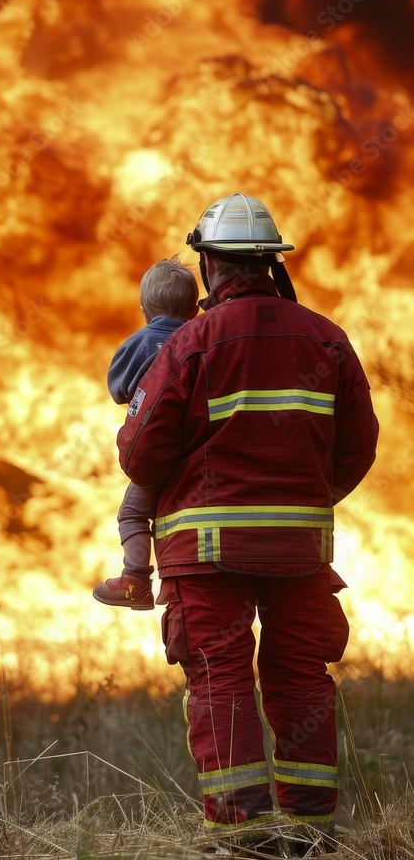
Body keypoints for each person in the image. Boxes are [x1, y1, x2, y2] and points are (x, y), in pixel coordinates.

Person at [116, 194, 379, 858]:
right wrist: (305, 499)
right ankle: (311, 834)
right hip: (300, 550)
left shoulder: (191, 343)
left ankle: (245, 838)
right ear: (270, 262)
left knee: (221, 679)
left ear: (208, 265)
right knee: (300, 677)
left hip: (205, 553)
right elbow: (358, 447)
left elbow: (141, 452)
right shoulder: (327, 339)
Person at [93, 257, 199, 611]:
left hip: (156, 455)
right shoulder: (202, 338)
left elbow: (119, 389)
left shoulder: (140, 342)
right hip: (199, 451)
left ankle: (136, 580)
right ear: (193, 309)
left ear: (144, 309)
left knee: (133, 514)